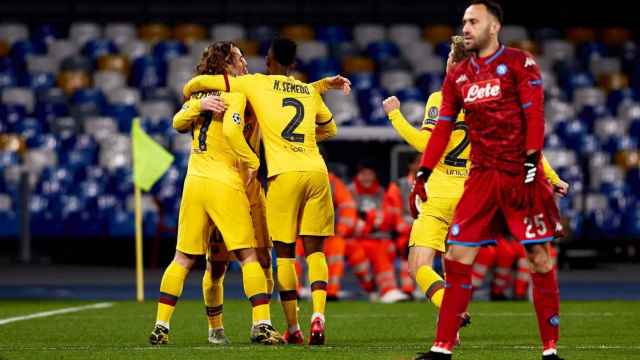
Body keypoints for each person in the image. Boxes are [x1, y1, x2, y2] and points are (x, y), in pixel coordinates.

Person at [407, 2, 565, 359]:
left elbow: (534, 115)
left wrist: (531, 163)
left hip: (518, 174)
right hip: (480, 178)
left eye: (473, 21)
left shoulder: (520, 63)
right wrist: (423, 173)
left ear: (494, 26)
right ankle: (442, 348)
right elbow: (443, 126)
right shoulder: (458, 76)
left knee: (539, 257)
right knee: (457, 255)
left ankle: (550, 350)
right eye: (463, 21)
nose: (466, 27)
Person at [182, 37, 351, 345]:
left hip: (282, 174)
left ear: (270, 60)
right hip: (316, 170)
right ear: (294, 64)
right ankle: (319, 316)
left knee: (284, 254)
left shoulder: (255, 84)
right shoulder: (308, 90)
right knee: (315, 251)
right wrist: (322, 88)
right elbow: (331, 129)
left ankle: (294, 328)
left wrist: (194, 98)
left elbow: (197, 83)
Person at [149, 41, 283, 346]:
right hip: (226, 182)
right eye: (239, 59)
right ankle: (262, 323)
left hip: (194, 183)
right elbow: (234, 135)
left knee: (182, 258)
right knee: (248, 256)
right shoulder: (236, 94)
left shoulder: (198, 95)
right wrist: (254, 161)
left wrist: (198, 104)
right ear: (226, 65)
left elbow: (177, 121)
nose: (245, 64)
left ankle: (161, 325)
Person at [349, 162, 409, 303]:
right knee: (355, 251)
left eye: (370, 174)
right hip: (355, 239)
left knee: (384, 249)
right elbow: (348, 217)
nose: (367, 177)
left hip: (379, 238)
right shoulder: (350, 191)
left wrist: (369, 220)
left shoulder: (381, 193)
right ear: (357, 176)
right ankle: (371, 288)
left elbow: (387, 218)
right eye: (363, 174)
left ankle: (389, 290)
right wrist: (371, 220)